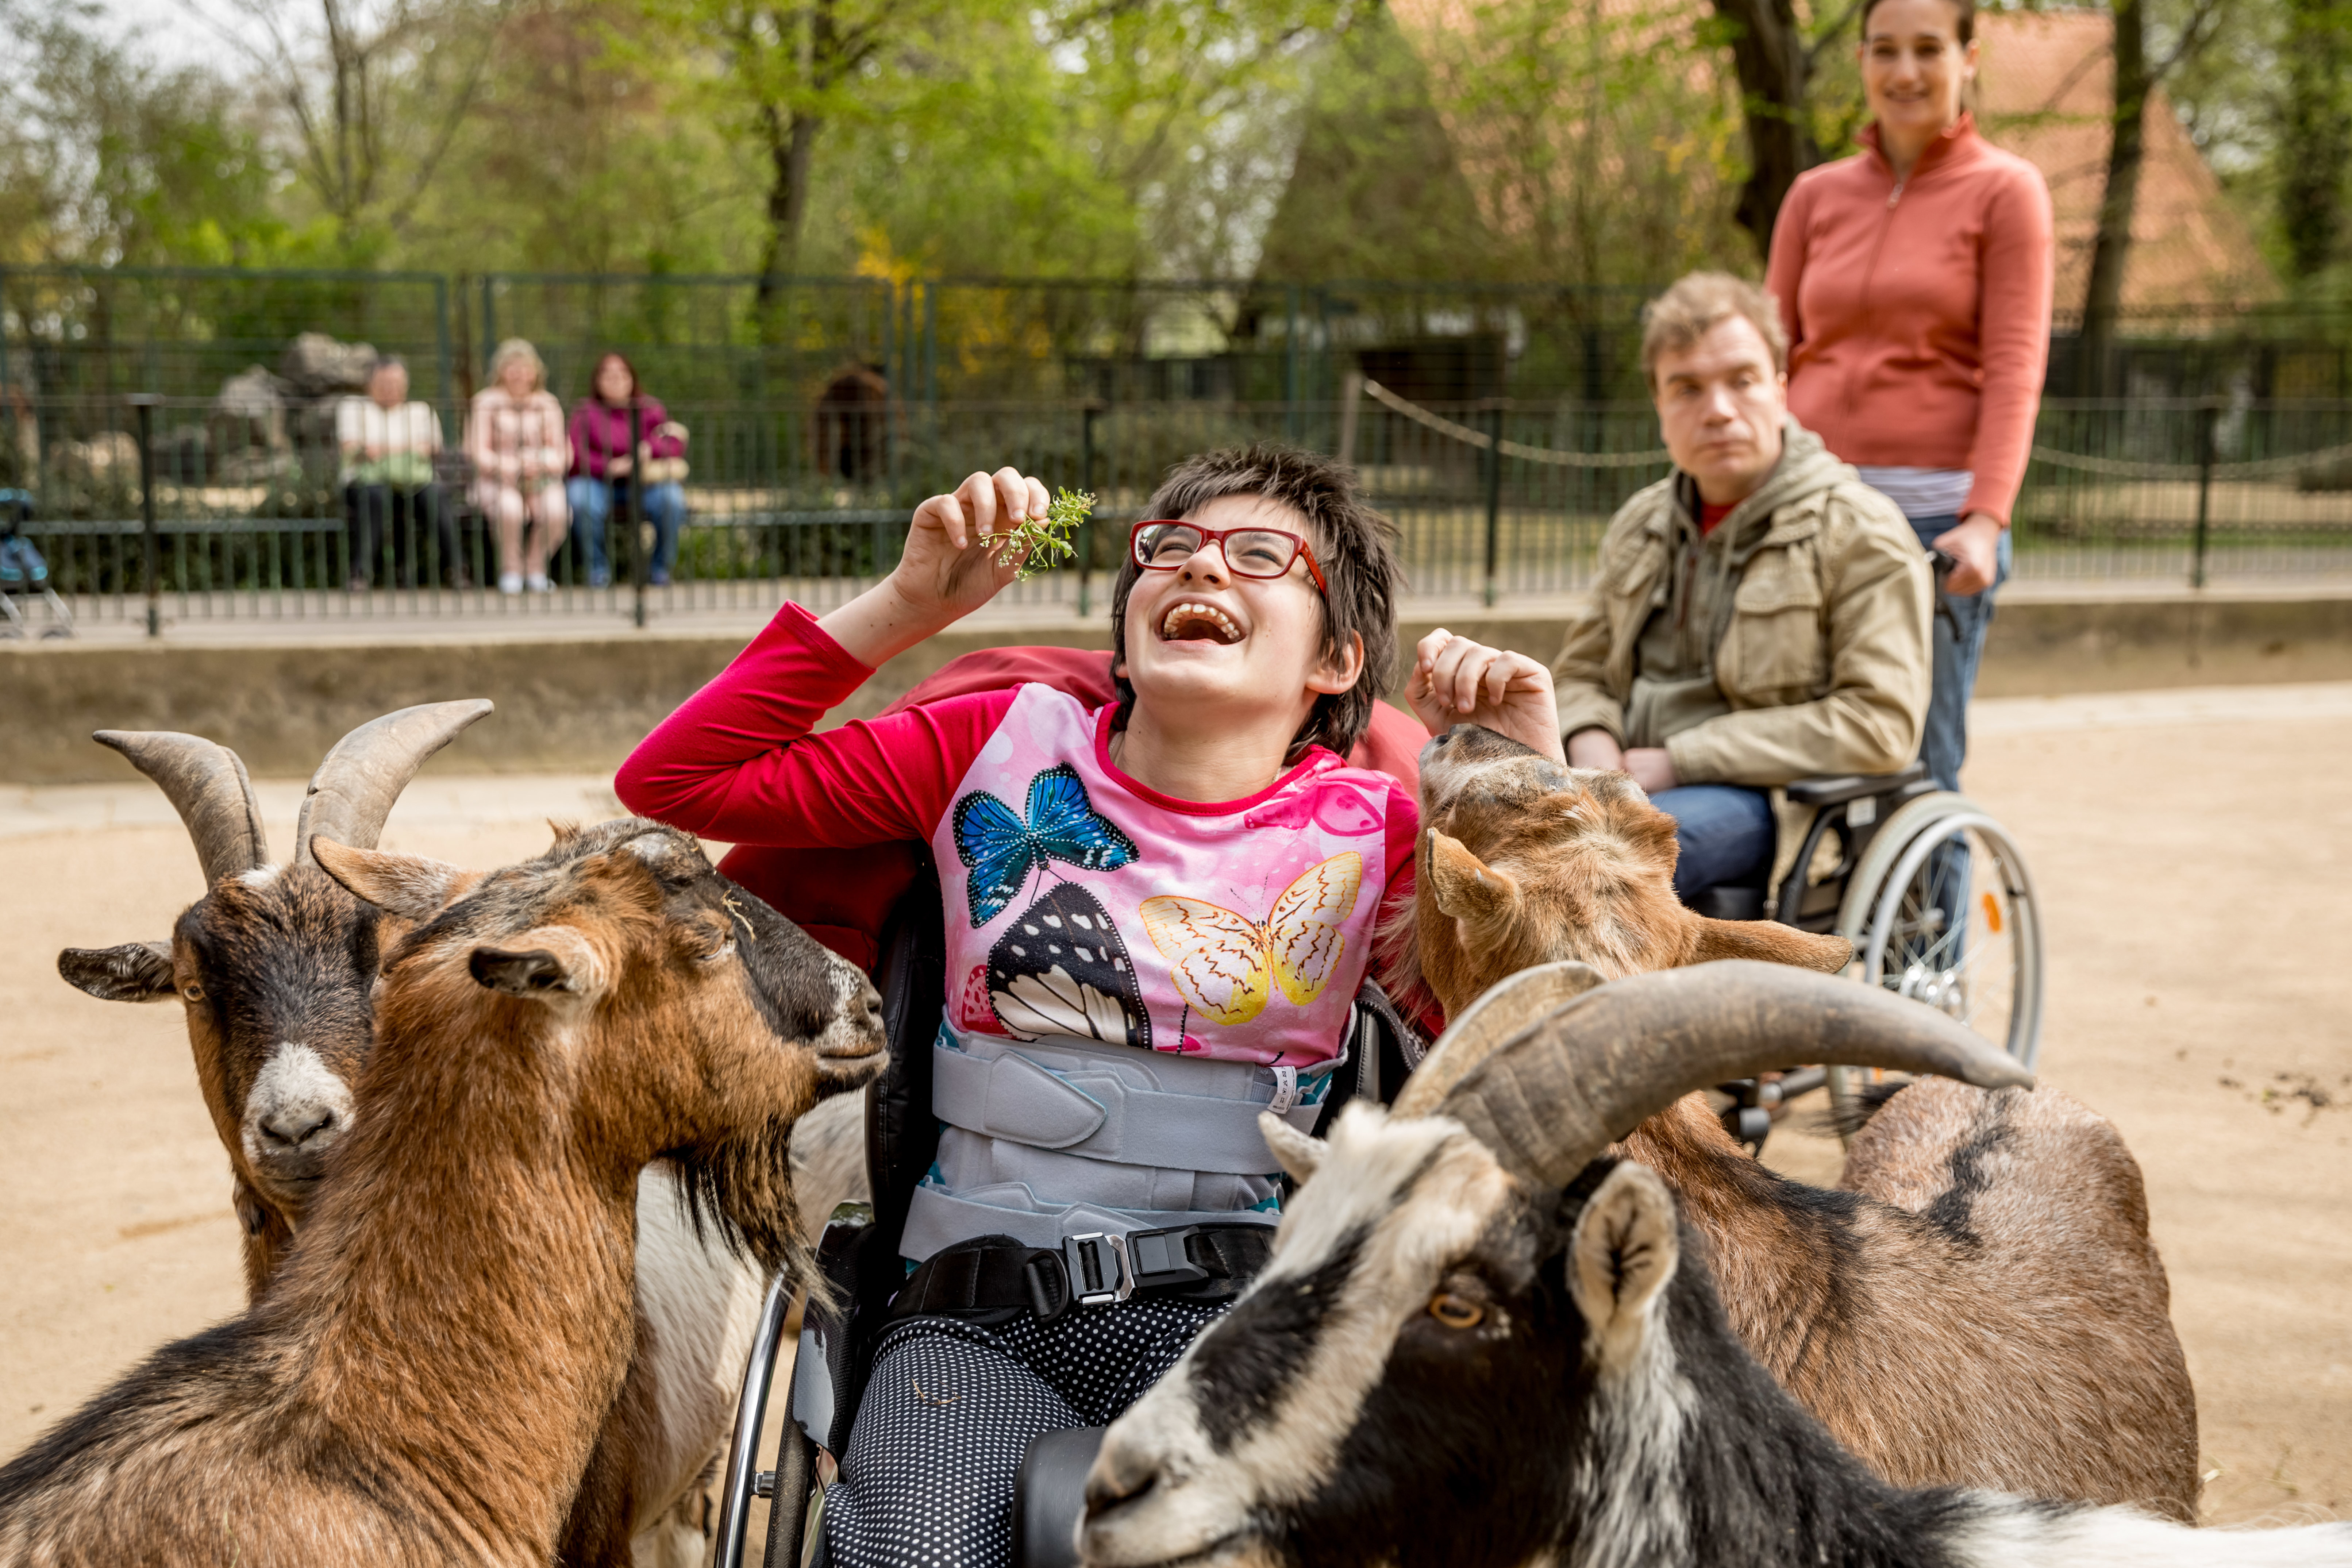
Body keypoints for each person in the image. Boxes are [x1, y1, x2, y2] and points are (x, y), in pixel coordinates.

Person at [615, 446, 1556, 1566]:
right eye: (1169, 550)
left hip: (1242, 1319)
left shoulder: (1384, 833)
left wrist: (1536, 779)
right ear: (1127, 627)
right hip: (971, 1313)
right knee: (913, 1552)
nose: (1201, 570)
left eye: (1261, 556)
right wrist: (909, 605)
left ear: (1339, 660)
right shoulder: (997, 747)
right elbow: (673, 784)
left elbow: (1545, 1024)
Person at [1551, 273, 1932, 905]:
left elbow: (1879, 724)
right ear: (1661, 407)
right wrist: (1595, 747)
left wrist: (1679, 760)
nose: (1720, 409)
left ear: (1782, 390)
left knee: (1598, 873)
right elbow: (1583, 671)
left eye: (1743, 380)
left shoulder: (1860, 531)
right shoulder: (1639, 526)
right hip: (1614, 785)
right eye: (1688, 388)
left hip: (1769, 802)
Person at [1764, 0, 2054, 793]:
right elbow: (1769, 358)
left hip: (1933, 528)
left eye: (1928, 49)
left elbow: (2015, 366)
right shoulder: (1814, 197)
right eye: (1884, 50)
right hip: (1810, 514)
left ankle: (1936, 923)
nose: (1904, 72)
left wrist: (1986, 522)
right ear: (1860, 60)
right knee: (1790, 762)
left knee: (1919, 771)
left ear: (1969, 58)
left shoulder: (2007, 192)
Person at [565, 352, 689, 589]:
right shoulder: (585, 412)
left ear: (632, 378)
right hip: (597, 480)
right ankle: (598, 570)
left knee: (672, 499)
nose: (616, 380)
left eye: (622, 374)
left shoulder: (650, 408)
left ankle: (660, 569)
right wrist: (611, 466)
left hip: (644, 482)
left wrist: (646, 450)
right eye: (608, 375)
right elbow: (576, 454)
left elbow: (674, 442)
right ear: (597, 380)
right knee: (581, 500)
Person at [335, 356, 458, 590]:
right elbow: (352, 447)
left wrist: (382, 449)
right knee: (376, 496)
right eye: (383, 381)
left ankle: (458, 568)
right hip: (365, 484)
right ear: (369, 384)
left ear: (406, 383)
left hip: (414, 484)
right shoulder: (353, 408)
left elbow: (432, 448)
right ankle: (360, 573)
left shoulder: (420, 410)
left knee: (435, 494)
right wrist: (407, 448)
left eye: (396, 381)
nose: (390, 387)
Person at [466, 338, 571, 595]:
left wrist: (543, 465)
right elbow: (477, 450)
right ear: (500, 371)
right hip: (497, 479)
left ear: (535, 372)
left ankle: (536, 569)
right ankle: (510, 570)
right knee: (510, 509)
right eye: (512, 367)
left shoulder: (548, 402)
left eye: (525, 368)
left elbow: (562, 451)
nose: (519, 374)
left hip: (541, 478)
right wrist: (508, 467)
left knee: (557, 512)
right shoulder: (485, 402)